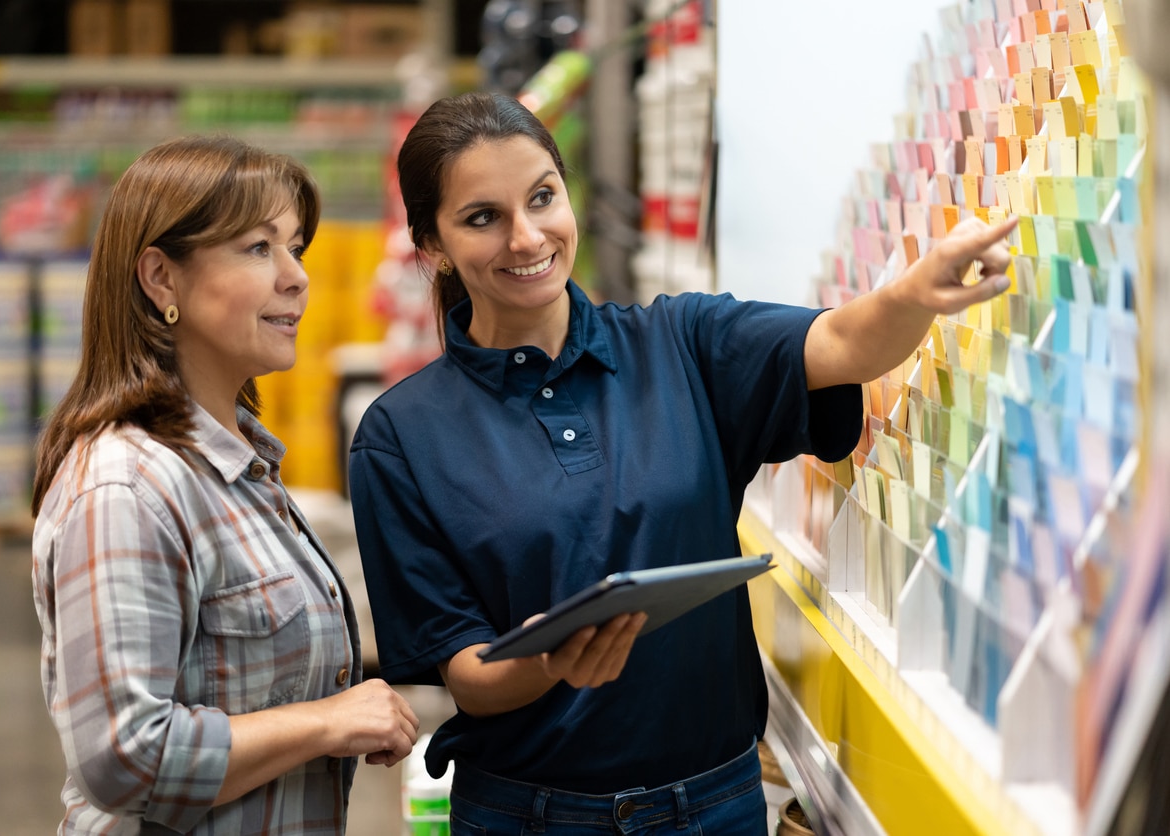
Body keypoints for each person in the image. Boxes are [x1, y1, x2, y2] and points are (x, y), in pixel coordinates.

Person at [348, 91, 1015, 835]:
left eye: (542, 198)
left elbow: (841, 344)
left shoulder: (682, 344)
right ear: (432, 245)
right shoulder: (400, 436)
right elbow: (468, 679)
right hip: (528, 817)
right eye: (483, 218)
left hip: (714, 809)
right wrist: (551, 662)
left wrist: (916, 293)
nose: (527, 236)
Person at [30, 135, 420, 835]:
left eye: (295, 247)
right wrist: (326, 722)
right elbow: (123, 756)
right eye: (257, 248)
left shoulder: (239, 465)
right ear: (161, 278)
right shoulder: (128, 487)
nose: (296, 276)